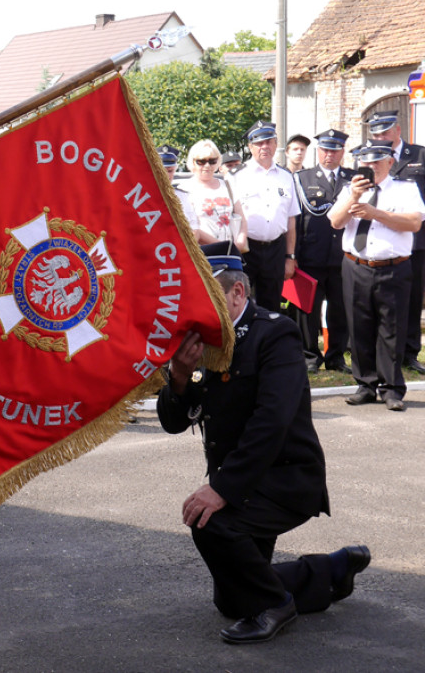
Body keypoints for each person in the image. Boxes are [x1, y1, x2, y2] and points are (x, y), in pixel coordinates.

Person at [158, 242, 370, 645]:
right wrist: (180, 377)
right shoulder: (204, 340)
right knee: (232, 599)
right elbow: (172, 422)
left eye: (207, 295)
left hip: (285, 480)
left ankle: (275, 606)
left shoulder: (275, 334)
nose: (197, 307)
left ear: (238, 292)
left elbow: (271, 422)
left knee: (211, 523)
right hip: (247, 482)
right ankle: (332, 570)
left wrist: (221, 489)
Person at [328, 139, 425, 412]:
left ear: (390, 162)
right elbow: (335, 221)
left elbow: (414, 223)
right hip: (356, 265)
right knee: (359, 327)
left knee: (391, 329)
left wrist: (375, 214)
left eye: (377, 161)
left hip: (393, 267)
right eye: (366, 162)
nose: (371, 167)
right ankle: (365, 385)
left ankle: (391, 388)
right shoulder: (349, 189)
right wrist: (354, 197)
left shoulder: (405, 189)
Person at [366, 110, 425, 375]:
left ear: (398, 131)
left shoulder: (419, 155)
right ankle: (379, 351)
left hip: (416, 240)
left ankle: (409, 353)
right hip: (381, 238)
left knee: (412, 299)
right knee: (381, 302)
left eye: (385, 133)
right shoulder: (370, 159)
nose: (381, 138)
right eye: (376, 134)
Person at [294, 129, 353, 373]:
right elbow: (296, 220)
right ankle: (310, 356)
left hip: (343, 256)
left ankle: (336, 357)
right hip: (311, 256)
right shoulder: (302, 178)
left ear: (342, 152)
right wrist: (293, 255)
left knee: (340, 309)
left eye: (335, 150)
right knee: (308, 310)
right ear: (318, 151)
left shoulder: (353, 178)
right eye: (325, 150)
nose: (330, 154)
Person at [227, 120, 300, 312]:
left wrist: (290, 257)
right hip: (246, 250)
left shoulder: (286, 176)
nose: (264, 146)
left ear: (276, 144)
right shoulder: (236, 176)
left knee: (272, 306)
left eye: (268, 141)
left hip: (276, 249)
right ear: (250, 147)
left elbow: (291, 220)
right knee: (240, 304)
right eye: (259, 143)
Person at [176, 139, 248, 252]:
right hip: (202, 253)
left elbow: (242, 219)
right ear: (192, 162)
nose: (207, 165)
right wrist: (223, 246)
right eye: (201, 161)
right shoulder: (183, 190)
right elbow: (190, 228)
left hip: (231, 252)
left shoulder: (227, 186)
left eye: (212, 161)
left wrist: (240, 243)